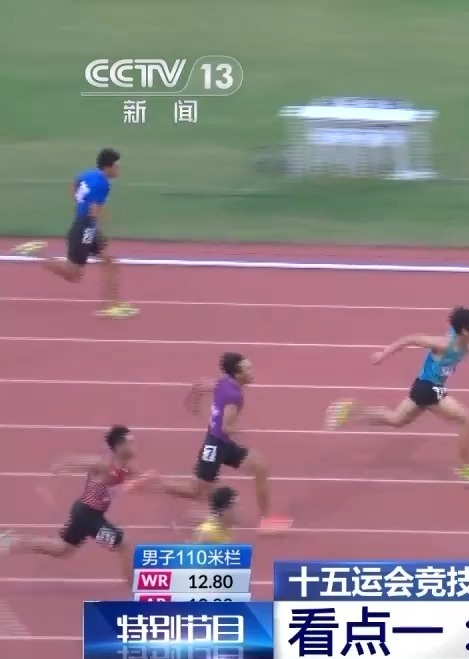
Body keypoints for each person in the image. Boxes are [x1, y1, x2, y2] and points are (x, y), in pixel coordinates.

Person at [325, 306, 469, 482]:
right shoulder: (444, 344)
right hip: (429, 389)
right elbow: (412, 339)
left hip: (423, 387)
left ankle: (351, 410)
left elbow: (461, 345)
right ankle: (466, 468)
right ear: (465, 331)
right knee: (466, 419)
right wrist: (383, 354)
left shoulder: (463, 339)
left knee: (396, 419)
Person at [151, 352, 292, 531]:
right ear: (237, 374)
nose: (252, 372)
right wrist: (247, 430)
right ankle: (156, 484)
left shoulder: (225, 382)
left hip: (223, 443)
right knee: (196, 492)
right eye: (247, 369)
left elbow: (205, 384)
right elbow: (226, 427)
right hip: (214, 446)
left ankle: (265, 519)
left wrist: (194, 399)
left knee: (260, 466)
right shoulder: (234, 395)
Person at [0, 426, 146, 584]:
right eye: (130, 442)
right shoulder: (103, 464)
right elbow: (67, 462)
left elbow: (145, 480)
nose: (134, 446)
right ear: (119, 446)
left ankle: (8, 541)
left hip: (85, 513)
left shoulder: (126, 467)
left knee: (61, 549)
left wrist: (150, 485)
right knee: (123, 545)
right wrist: (48, 485)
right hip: (88, 515)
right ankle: (132, 583)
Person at [10, 148, 137, 318]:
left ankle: (113, 304)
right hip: (85, 228)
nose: (119, 169)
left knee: (109, 261)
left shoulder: (89, 174)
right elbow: (94, 210)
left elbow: (75, 183)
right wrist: (107, 223)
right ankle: (37, 253)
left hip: (86, 225)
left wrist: (79, 203)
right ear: (108, 167)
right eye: (117, 166)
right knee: (73, 274)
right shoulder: (103, 184)